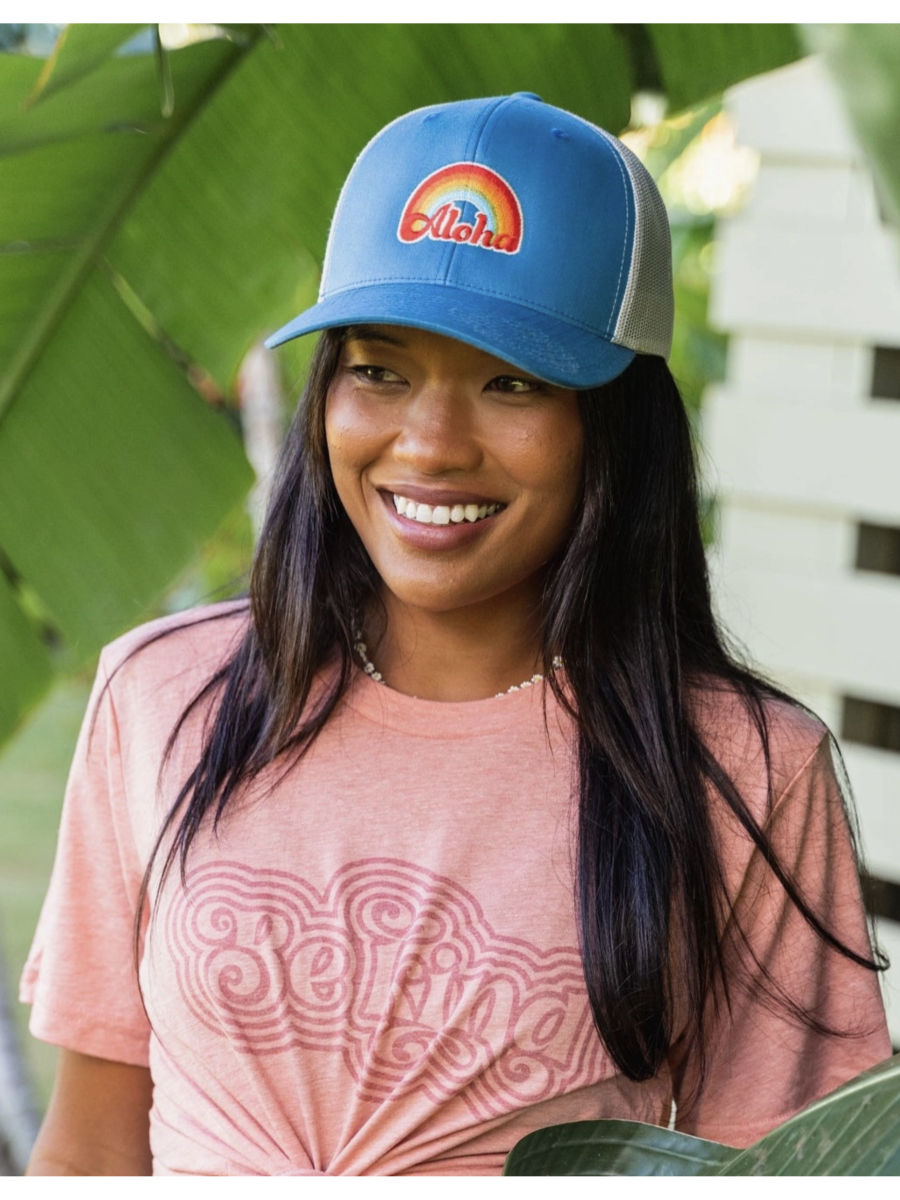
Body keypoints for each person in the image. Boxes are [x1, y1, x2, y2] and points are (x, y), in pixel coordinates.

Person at [22, 93, 890, 1177]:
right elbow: (91, 1144)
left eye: (511, 382)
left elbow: (789, 1175)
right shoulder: (163, 697)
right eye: (379, 370)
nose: (429, 445)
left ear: (614, 430)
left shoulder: (741, 770)